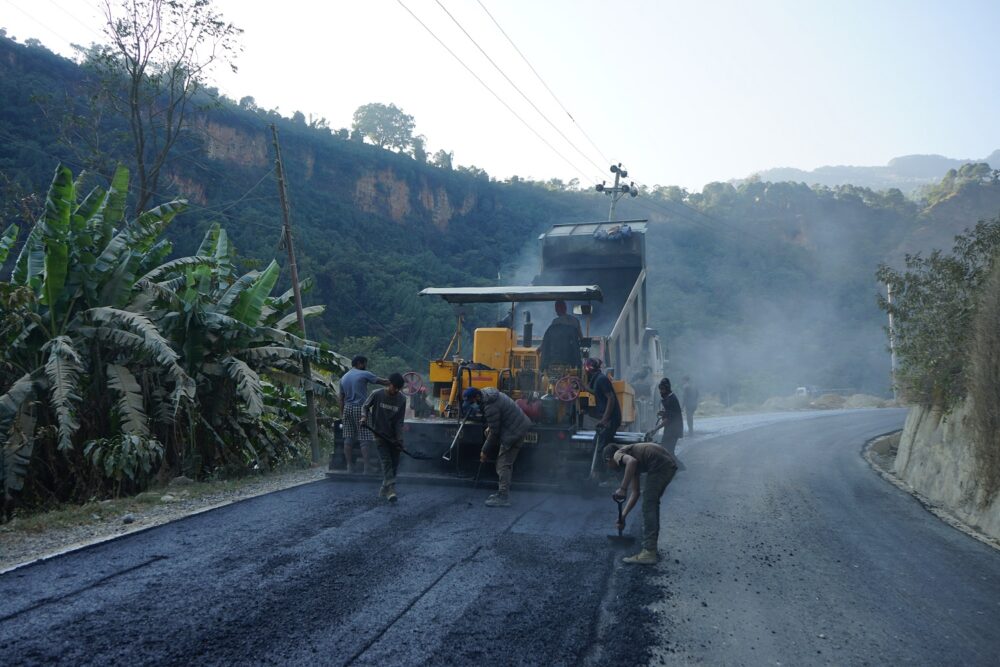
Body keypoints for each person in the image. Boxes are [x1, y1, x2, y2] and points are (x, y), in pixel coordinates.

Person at [604, 442, 679, 565]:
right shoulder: (631, 458)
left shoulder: (618, 454)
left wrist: (622, 488)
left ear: (608, 459)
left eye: (607, 464)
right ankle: (651, 548)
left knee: (649, 505)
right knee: (651, 503)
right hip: (666, 466)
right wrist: (623, 516)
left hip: (660, 466)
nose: (609, 467)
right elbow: (635, 492)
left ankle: (649, 552)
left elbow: (631, 462)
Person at [462, 386, 533, 507]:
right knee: (502, 462)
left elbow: (495, 433)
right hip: (517, 425)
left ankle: (503, 497)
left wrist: (484, 451)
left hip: (514, 431)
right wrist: (491, 426)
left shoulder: (490, 406)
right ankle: (501, 493)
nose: (472, 404)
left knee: (503, 465)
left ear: (477, 397)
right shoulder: (489, 395)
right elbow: (498, 420)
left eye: (472, 402)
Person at [360, 373, 407, 503]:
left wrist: (400, 439)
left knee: (395, 463)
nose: (396, 390)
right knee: (386, 461)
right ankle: (391, 490)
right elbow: (365, 406)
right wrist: (364, 417)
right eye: (394, 387)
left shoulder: (402, 399)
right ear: (389, 384)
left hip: (393, 437)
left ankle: (384, 487)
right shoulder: (377, 394)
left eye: (398, 388)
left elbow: (399, 422)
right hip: (379, 434)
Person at [337, 355, 388, 473]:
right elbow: (383, 382)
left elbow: (341, 398)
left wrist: (341, 414)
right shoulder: (364, 373)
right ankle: (367, 467)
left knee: (348, 438)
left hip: (347, 409)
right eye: (365, 363)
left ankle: (349, 467)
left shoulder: (344, 377)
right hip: (360, 409)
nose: (366, 366)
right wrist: (397, 383)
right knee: (365, 438)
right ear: (360, 363)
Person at [585, 357, 620, 475]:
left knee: (602, 448)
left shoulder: (601, 379)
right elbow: (596, 392)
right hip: (607, 419)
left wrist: (605, 419)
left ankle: (605, 476)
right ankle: (601, 474)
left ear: (588, 369)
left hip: (611, 419)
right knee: (597, 444)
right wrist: (583, 387)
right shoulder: (597, 380)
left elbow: (611, 398)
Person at [538, 300, 583, 371]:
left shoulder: (554, 323)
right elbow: (581, 338)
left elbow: (546, 341)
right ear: (565, 308)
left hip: (553, 360)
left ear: (556, 309)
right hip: (571, 360)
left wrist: (539, 349)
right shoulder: (575, 320)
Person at [646, 377, 684, 457]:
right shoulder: (669, 397)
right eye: (660, 389)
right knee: (666, 451)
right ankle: (678, 468)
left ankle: (679, 468)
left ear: (667, 389)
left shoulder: (671, 399)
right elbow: (671, 412)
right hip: (671, 428)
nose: (660, 392)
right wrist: (663, 413)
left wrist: (655, 429)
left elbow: (668, 419)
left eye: (662, 389)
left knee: (667, 451)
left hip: (674, 429)